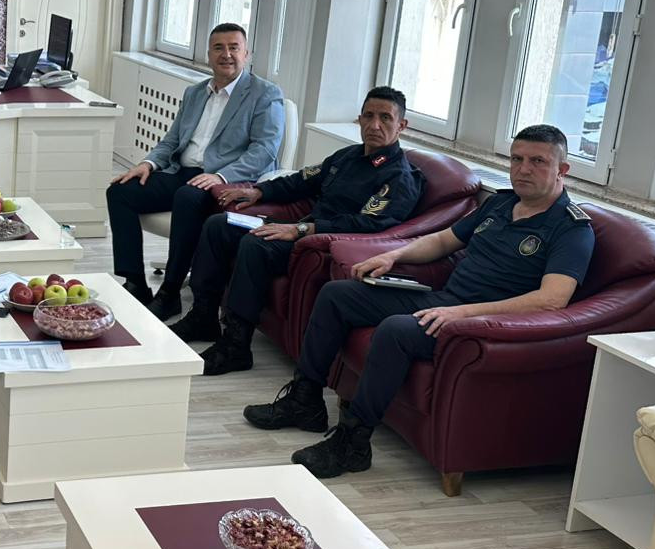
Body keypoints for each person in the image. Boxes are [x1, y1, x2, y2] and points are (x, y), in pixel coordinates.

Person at [246, 125, 595, 481]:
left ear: (562, 170)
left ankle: (353, 443)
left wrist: (462, 313)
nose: (523, 169)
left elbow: (551, 300)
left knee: (396, 330)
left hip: (479, 324)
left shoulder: (572, 229)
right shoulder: (501, 203)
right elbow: (443, 241)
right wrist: (392, 256)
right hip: (444, 300)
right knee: (338, 294)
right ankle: (304, 401)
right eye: (517, 159)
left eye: (538, 161)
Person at [172, 86, 424, 376]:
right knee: (221, 224)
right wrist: (259, 191)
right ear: (359, 119)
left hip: (322, 243)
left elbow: (369, 225)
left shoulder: (399, 176)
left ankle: (236, 346)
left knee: (256, 244)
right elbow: (302, 180)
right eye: (368, 116)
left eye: (385, 118)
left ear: (401, 125)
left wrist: (304, 229)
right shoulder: (348, 156)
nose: (374, 125)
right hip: (298, 230)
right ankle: (203, 316)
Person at [105, 23, 284, 315]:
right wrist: (147, 164)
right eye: (218, 48)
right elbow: (172, 140)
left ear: (247, 54)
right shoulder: (195, 92)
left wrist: (220, 176)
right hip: (184, 172)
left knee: (187, 197)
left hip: (228, 179)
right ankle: (135, 283)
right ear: (208, 55)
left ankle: (170, 291)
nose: (226, 54)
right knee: (120, 191)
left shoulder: (265, 94)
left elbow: (265, 151)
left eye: (234, 48)